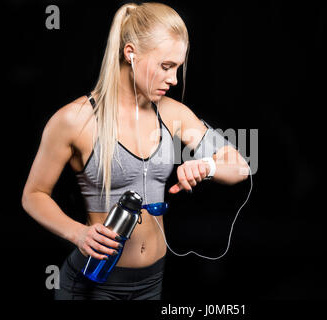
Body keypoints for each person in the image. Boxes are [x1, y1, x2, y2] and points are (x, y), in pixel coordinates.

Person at [21, 2, 249, 300]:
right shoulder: (74, 120)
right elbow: (33, 195)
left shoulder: (172, 114)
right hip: (94, 281)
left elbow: (241, 166)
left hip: (152, 281)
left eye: (178, 67)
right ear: (131, 53)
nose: (174, 79)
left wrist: (207, 166)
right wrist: (78, 233)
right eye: (166, 66)